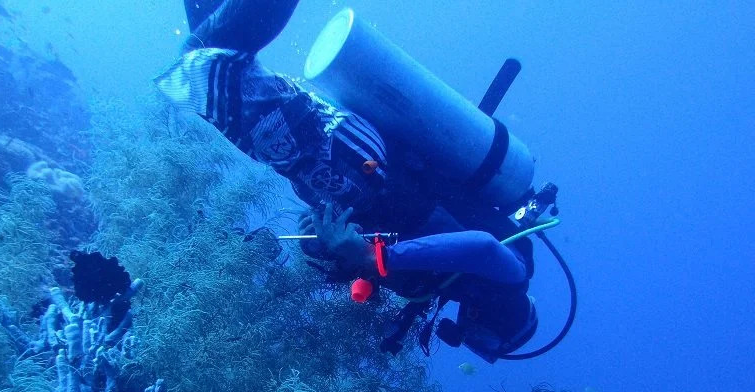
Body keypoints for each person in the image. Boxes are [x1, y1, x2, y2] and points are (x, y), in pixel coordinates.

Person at [156, 0, 538, 362]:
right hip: (365, 169)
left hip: (341, 178)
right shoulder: (513, 276)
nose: (470, 338)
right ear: (507, 322)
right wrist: (376, 257)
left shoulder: (445, 285)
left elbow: (372, 247)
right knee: (210, 75)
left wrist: (322, 242)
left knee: (216, 81)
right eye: (485, 342)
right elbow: (481, 247)